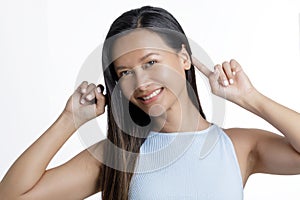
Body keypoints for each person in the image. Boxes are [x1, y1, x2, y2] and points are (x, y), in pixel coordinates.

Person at [1, 5, 300, 200]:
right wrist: (69, 120)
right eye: (126, 72)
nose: (141, 83)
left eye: (151, 62)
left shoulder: (237, 146)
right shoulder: (118, 154)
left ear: (184, 58)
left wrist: (250, 98)